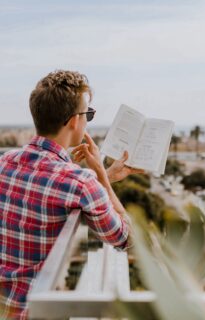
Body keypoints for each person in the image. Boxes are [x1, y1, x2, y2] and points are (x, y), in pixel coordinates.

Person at [0, 70, 143, 319]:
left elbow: (46, 190)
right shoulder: (79, 182)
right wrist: (99, 172)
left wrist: (104, 176)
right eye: (88, 114)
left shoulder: (5, 162)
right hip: (35, 313)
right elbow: (125, 237)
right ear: (74, 121)